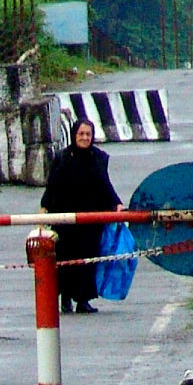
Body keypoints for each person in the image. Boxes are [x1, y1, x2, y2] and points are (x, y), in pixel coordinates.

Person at [40, 119, 123, 314]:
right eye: (81, 134)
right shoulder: (62, 157)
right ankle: (65, 298)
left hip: (90, 218)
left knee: (88, 259)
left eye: (88, 134)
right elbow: (53, 186)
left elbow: (105, 185)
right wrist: (45, 207)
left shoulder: (99, 158)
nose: (85, 138)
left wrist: (116, 203)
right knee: (65, 258)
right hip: (65, 218)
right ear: (74, 135)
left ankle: (83, 300)